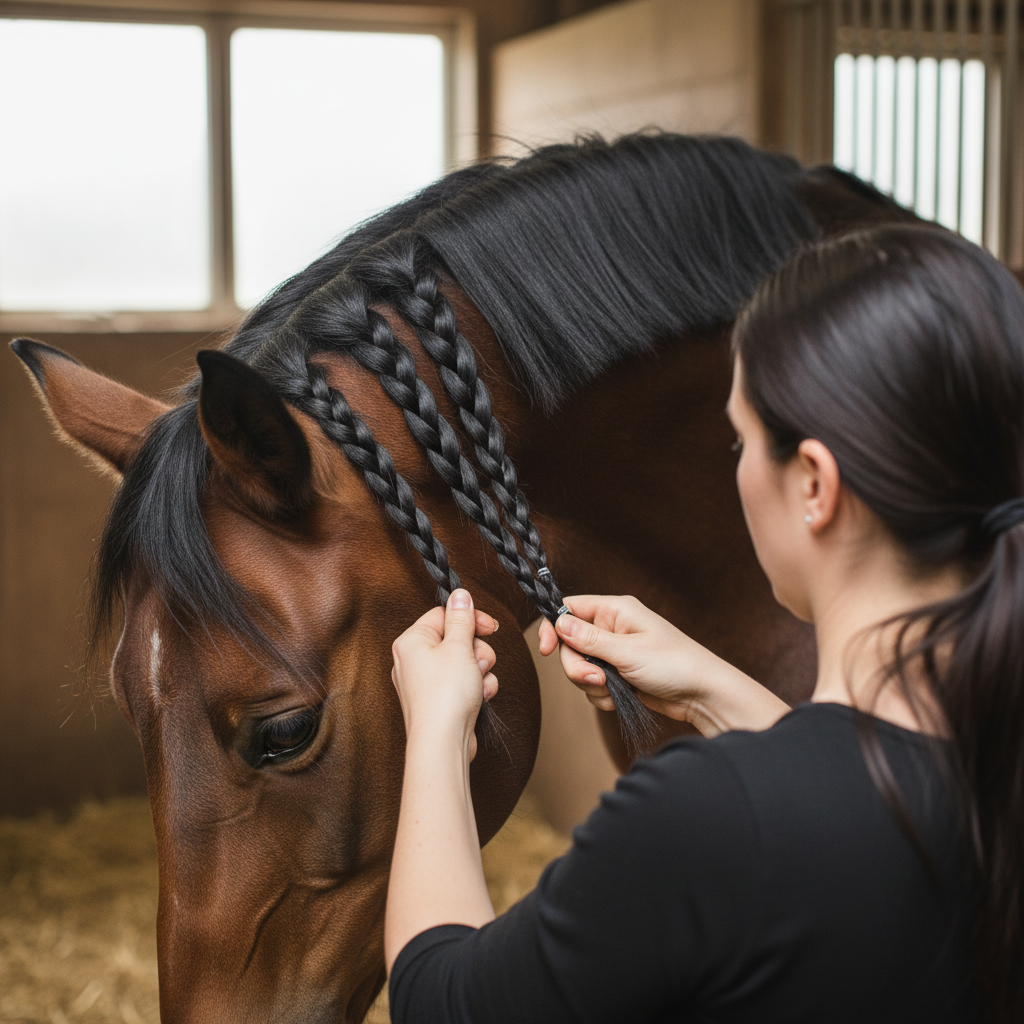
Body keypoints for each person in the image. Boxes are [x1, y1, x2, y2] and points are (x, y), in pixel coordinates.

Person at [383, 224, 1024, 1023]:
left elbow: (442, 1000)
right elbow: (866, 819)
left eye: (742, 438)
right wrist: (718, 690)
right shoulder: (984, 761)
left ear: (815, 485)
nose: (740, 466)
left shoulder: (701, 823)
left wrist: (437, 735)